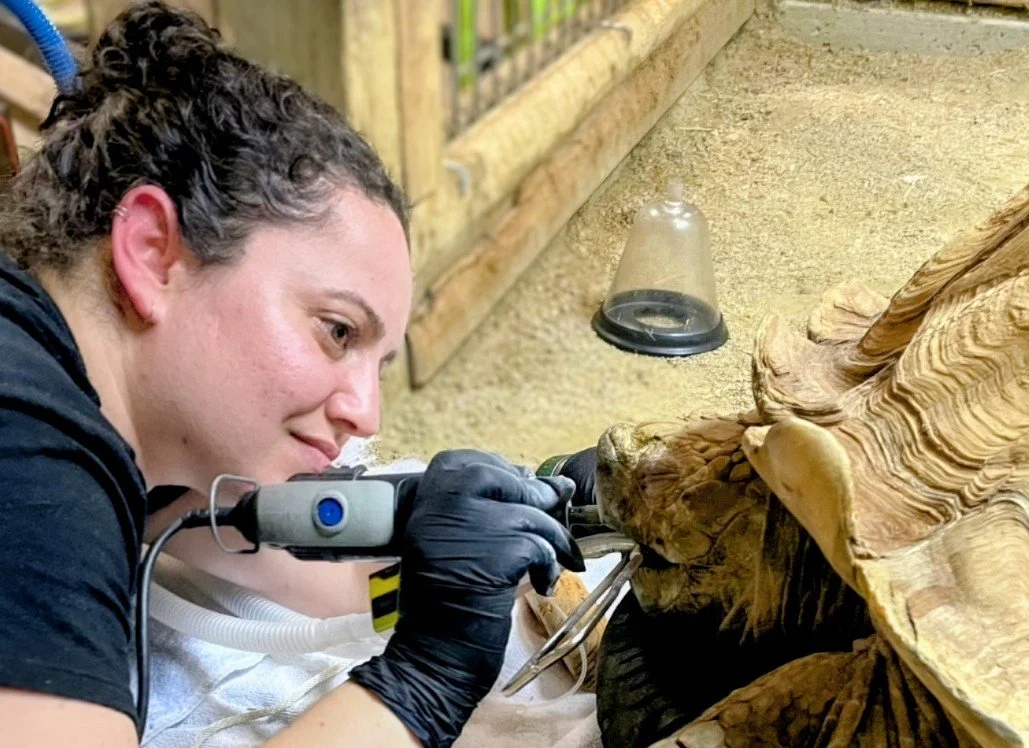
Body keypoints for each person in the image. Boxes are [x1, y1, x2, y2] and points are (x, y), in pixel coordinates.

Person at [0, 3, 587, 746]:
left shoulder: (112, 420)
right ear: (152, 253)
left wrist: (461, 523)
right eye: (336, 330)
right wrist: (424, 678)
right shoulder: (25, 449)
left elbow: (255, 550)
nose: (365, 414)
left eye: (377, 364)